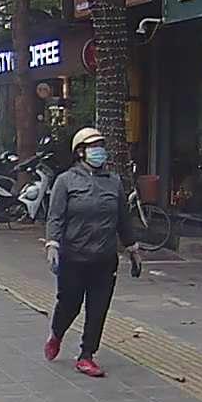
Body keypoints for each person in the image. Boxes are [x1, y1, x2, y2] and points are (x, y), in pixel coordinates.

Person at [43, 127, 140, 378]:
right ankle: (56, 333)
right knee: (69, 304)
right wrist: (52, 244)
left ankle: (86, 355)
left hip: (104, 259)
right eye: (93, 147)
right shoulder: (66, 181)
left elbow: (123, 219)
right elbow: (55, 217)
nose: (100, 151)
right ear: (80, 152)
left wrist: (132, 248)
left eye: (101, 146)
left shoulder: (113, 182)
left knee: (98, 309)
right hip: (74, 258)